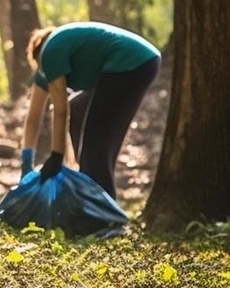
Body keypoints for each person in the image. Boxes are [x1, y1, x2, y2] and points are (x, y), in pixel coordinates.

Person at [21, 21, 161, 199]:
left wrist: (56, 156)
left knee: (95, 148)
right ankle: (84, 179)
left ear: (40, 59)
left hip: (130, 63)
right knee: (78, 108)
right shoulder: (50, 63)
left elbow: (60, 111)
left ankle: (105, 216)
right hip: (137, 61)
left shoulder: (51, 53)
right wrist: (26, 164)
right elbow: (34, 117)